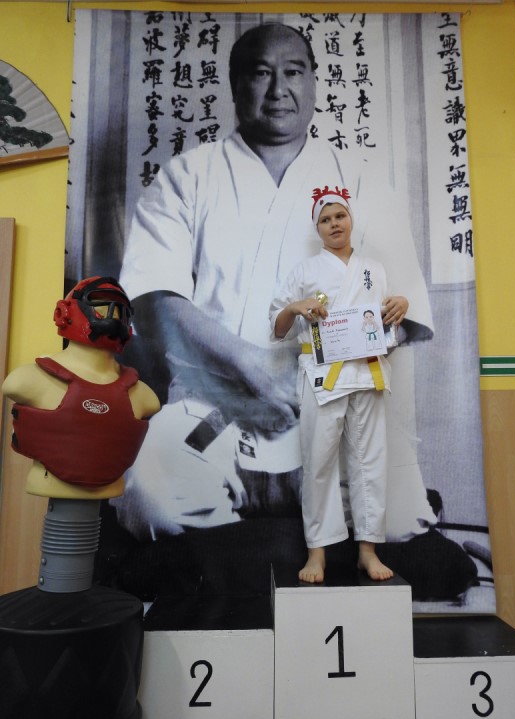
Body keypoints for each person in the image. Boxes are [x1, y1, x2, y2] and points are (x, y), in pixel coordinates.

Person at [115, 22, 477, 601]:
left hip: (338, 400)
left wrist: (313, 371)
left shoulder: (359, 178)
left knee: (400, 518)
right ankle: (293, 547)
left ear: (313, 82)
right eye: (261, 73)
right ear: (235, 84)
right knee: (149, 493)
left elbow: (398, 313)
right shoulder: (188, 175)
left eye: (293, 72)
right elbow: (154, 299)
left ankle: (243, 554)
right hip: (217, 407)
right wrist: (251, 367)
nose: (278, 88)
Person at [270, 187, 406, 583]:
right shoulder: (305, 271)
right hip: (323, 377)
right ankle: (318, 553)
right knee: (319, 463)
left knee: (370, 461)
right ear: (318, 228)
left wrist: (401, 305)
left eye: (339, 216)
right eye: (325, 220)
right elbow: (277, 328)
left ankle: (368, 551)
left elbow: (385, 322)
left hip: (367, 373)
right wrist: (293, 308)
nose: (334, 224)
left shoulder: (373, 269)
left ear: (351, 219)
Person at [2, 276, 160, 499]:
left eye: (118, 310)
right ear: (63, 313)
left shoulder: (144, 395)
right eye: (101, 307)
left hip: (109, 489)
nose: (112, 315)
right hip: (49, 485)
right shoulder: (26, 380)